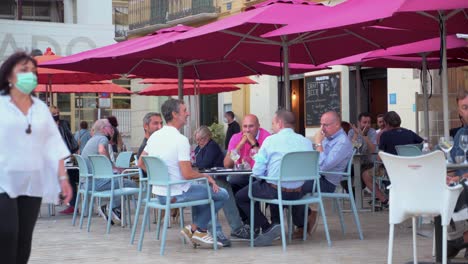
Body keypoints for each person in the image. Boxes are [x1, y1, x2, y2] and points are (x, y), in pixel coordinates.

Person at [0, 51, 72, 264]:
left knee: (24, 239)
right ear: (9, 76)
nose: (29, 75)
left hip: (33, 182)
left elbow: (53, 144)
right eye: (23, 70)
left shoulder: (40, 108)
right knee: (7, 234)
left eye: (33, 71)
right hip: (3, 181)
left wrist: (63, 178)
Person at [139, 98, 228, 248]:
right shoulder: (180, 140)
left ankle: (197, 230)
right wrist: (206, 176)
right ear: (175, 114)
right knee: (222, 194)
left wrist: (161, 178)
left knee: (202, 190)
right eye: (185, 110)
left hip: (160, 195)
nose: (188, 113)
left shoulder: (154, 136)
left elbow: (140, 162)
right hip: (175, 195)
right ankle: (196, 229)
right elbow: (187, 174)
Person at [235, 110, 313, 246]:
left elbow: (257, 171)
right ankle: (279, 224)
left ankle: (267, 228)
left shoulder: (270, 141)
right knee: (271, 185)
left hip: (277, 190)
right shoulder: (306, 142)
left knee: (242, 196)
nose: (272, 127)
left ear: (280, 123)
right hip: (299, 192)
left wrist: (266, 174)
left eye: (273, 123)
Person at [300, 111, 353, 237]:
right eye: (321, 124)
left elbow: (324, 166)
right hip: (316, 177)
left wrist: (318, 143)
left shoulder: (342, 142)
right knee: (289, 183)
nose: (322, 129)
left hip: (327, 182)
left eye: (326, 125)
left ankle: (303, 223)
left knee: (294, 188)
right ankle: (304, 219)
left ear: (337, 125)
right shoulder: (327, 139)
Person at [80, 119, 137, 224]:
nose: (113, 129)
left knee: (118, 182)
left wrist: (113, 168)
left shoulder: (91, 140)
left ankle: (111, 208)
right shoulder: (102, 139)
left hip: (85, 183)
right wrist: (111, 167)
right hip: (95, 183)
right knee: (130, 183)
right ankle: (112, 207)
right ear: (103, 129)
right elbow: (102, 150)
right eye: (110, 127)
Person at [223, 114, 270, 225]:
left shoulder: (267, 137)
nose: (247, 130)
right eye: (245, 127)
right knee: (229, 186)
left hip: (262, 176)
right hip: (242, 176)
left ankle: (257, 223)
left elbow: (265, 161)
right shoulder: (236, 137)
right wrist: (240, 144)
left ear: (258, 126)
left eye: (251, 126)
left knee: (246, 189)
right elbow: (227, 164)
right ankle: (246, 221)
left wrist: (254, 143)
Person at [447, 89, 468, 259]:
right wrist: (449, 176)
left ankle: (459, 239)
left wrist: (460, 178)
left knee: (462, 188)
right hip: (461, 182)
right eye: (465, 107)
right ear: (460, 112)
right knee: (446, 187)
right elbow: (453, 164)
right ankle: (459, 238)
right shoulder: (461, 134)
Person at [50, 105, 79, 215]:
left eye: (58, 113)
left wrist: (75, 150)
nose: (56, 116)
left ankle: (72, 205)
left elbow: (70, 138)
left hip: (66, 155)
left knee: (70, 176)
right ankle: (60, 196)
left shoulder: (63, 124)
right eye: (54, 114)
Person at [348, 113, 383, 204]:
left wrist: (364, 136)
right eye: (364, 122)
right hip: (354, 163)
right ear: (359, 123)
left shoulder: (372, 132)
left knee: (361, 173)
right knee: (345, 172)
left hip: (369, 162)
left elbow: (372, 150)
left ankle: (356, 197)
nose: (367, 125)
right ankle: (353, 193)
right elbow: (349, 150)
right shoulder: (351, 132)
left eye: (369, 122)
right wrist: (356, 134)